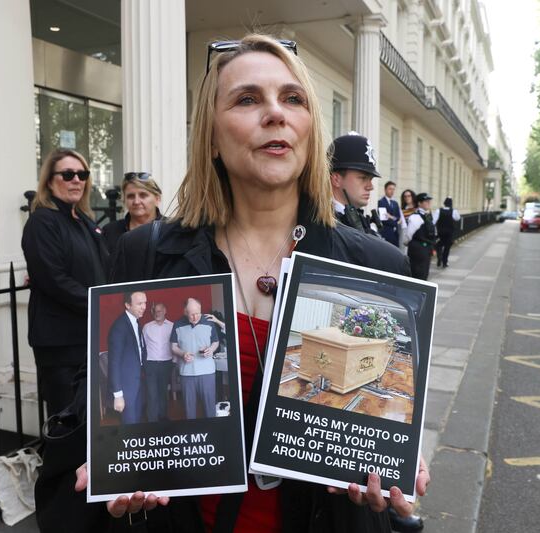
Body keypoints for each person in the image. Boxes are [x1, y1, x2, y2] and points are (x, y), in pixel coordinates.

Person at [45, 34, 429, 533]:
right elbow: (99, 386)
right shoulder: (147, 253)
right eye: (248, 99)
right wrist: (110, 456)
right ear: (210, 136)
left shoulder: (377, 265)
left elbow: (387, 391)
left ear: (309, 129)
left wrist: (396, 447)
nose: (275, 114)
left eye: (292, 99)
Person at [21, 148, 110, 416]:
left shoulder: (83, 220)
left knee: (94, 420)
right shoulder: (42, 222)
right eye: (68, 174)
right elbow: (54, 280)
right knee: (68, 422)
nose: (76, 180)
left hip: (90, 336)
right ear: (50, 180)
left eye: (82, 174)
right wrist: (103, 305)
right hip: (61, 345)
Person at [171, 298, 220, 419]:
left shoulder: (209, 322)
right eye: (191, 314)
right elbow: (173, 347)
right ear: (185, 312)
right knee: (189, 410)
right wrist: (183, 354)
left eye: (198, 313)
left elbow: (216, 342)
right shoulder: (177, 324)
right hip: (186, 373)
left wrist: (211, 349)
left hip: (207, 372)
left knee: (209, 409)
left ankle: (212, 431)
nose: (195, 317)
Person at [102, 172, 163, 264]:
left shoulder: (170, 229)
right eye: (130, 196)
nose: (136, 201)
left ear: (157, 198)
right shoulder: (110, 231)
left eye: (143, 195)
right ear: (124, 200)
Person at [107, 291, 148, 425]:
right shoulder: (119, 327)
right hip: (126, 388)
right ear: (127, 305)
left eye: (145, 303)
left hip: (137, 382)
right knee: (129, 424)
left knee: (136, 421)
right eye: (139, 303)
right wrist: (118, 396)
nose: (144, 307)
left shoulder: (135, 322)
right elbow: (114, 363)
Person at [329, 132, 380, 235]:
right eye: (363, 178)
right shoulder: (321, 221)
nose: (370, 187)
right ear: (336, 179)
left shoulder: (357, 218)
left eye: (371, 179)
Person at [142, 302, 174, 422]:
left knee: (163, 392)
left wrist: (174, 361)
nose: (157, 313)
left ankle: (163, 416)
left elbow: (176, 344)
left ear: (165, 311)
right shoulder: (147, 327)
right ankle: (152, 420)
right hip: (151, 364)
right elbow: (142, 346)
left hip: (166, 363)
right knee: (151, 393)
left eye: (160, 311)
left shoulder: (172, 326)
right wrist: (143, 364)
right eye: (155, 311)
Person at [405, 193, 437, 280]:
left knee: (424, 273)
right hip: (417, 249)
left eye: (429, 201)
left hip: (426, 249)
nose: (429, 203)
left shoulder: (428, 215)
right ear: (419, 203)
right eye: (426, 201)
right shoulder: (415, 217)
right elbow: (409, 235)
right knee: (417, 274)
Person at [433, 197, 461, 268]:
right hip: (449, 233)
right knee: (447, 248)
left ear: (444, 203)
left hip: (440, 232)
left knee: (439, 245)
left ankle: (439, 257)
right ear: (451, 204)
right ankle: (444, 262)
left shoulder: (438, 210)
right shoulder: (453, 211)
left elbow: (433, 221)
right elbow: (458, 218)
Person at [378, 181, 404, 247]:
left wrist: (391, 217)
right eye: (390, 189)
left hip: (395, 234)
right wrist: (396, 221)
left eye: (393, 189)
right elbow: (384, 219)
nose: (392, 191)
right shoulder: (381, 202)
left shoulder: (395, 203)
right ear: (385, 190)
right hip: (386, 232)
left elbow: (399, 218)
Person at [399, 189, 417, 254]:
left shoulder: (417, 209)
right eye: (405, 196)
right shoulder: (402, 209)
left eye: (409, 196)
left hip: (417, 235)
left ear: (412, 197)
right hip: (406, 235)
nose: (407, 198)